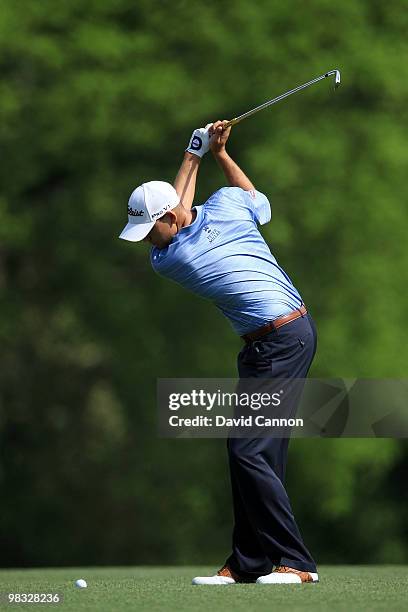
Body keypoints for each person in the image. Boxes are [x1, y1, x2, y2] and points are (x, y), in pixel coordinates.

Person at [119, 121, 319, 585]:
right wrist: (214, 155)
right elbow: (257, 204)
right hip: (275, 341)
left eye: (150, 228)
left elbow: (190, 203)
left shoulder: (176, 253)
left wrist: (200, 154)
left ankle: (297, 563)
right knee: (257, 454)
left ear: (169, 218)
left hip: (282, 340)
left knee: (247, 448)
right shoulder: (195, 236)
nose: (148, 240)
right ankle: (249, 563)